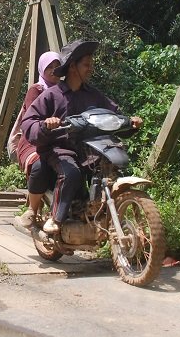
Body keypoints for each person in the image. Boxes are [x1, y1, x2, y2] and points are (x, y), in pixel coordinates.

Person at [20, 39, 143, 235]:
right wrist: (45, 125)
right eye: (86, 64)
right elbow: (28, 123)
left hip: (90, 150)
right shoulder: (51, 95)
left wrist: (131, 123)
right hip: (59, 149)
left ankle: (99, 215)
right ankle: (55, 219)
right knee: (72, 173)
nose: (90, 69)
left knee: (110, 169)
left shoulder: (94, 95)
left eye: (91, 64)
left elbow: (114, 117)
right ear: (72, 67)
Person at [13, 51, 62, 229]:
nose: (53, 70)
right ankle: (32, 210)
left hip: (59, 139)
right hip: (33, 140)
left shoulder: (67, 90)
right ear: (42, 68)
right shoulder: (36, 90)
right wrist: (45, 124)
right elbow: (31, 119)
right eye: (49, 67)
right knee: (40, 163)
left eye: (57, 67)